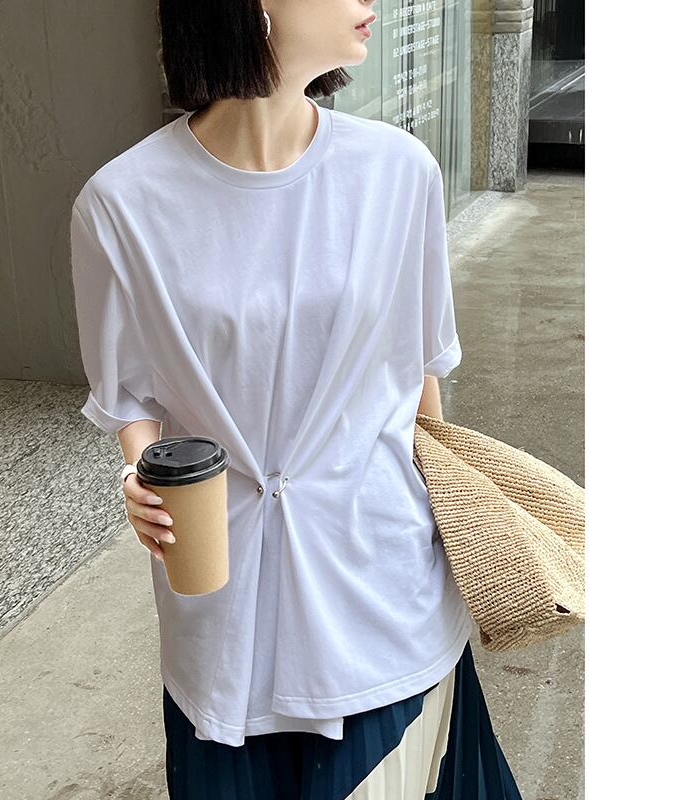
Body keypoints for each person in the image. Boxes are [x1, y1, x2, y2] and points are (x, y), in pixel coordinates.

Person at [70, 1, 524, 797]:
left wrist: (459, 514)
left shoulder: (399, 172)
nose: (367, 2)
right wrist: (144, 475)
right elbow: (129, 393)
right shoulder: (121, 203)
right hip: (222, 600)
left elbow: (420, 377)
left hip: (382, 584)